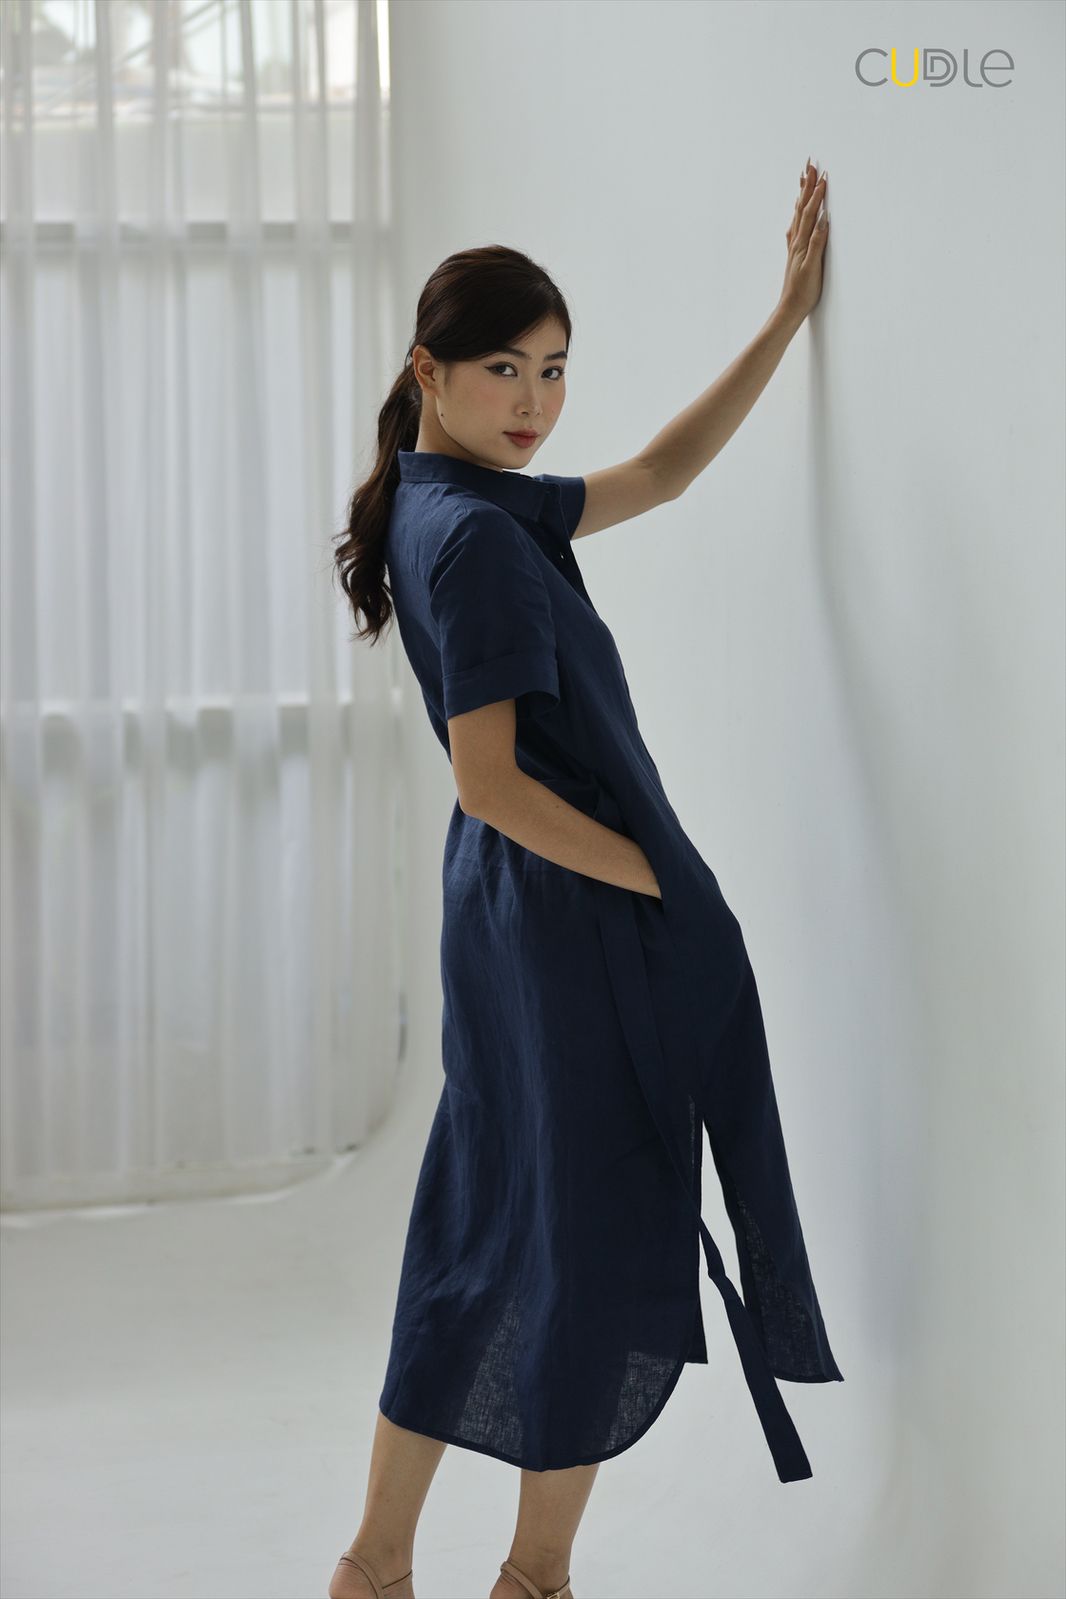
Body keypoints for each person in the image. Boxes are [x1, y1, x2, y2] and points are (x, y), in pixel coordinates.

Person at [328, 162, 835, 1599]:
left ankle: (376, 1566)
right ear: (428, 371)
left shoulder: (443, 500)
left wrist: (782, 319)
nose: (534, 400)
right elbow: (488, 779)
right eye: (503, 369)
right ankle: (534, 1580)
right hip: (564, 915)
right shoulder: (480, 540)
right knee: (594, 1235)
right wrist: (654, 881)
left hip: (501, 911)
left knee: (484, 1219)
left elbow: (660, 473)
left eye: (553, 371)